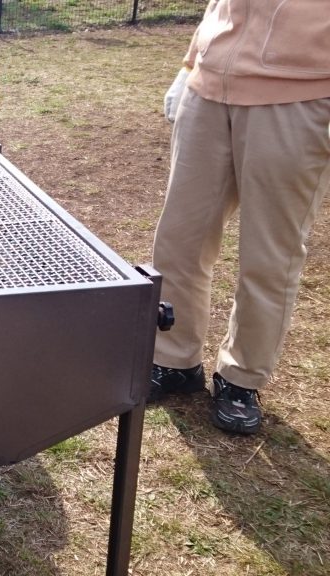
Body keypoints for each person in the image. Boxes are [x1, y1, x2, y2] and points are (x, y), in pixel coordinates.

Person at [148, 0, 330, 435]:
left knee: (270, 254)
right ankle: (175, 359)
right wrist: (191, 63)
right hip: (208, 87)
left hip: (301, 93)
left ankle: (241, 378)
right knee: (179, 239)